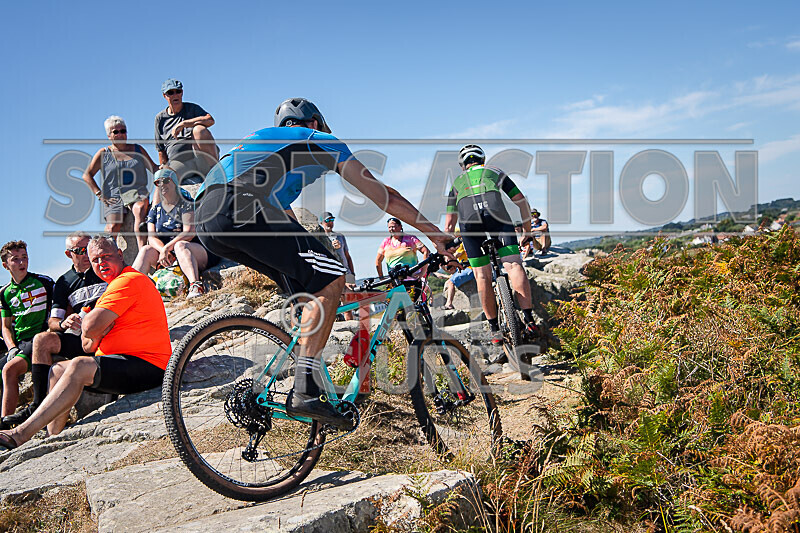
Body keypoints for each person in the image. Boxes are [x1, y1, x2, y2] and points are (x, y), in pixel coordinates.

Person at [194, 97, 452, 429]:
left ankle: (304, 395)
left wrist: (322, 272)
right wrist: (434, 234)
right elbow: (384, 196)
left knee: (313, 290)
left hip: (207, 218)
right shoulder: (318, 140)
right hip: (238, 203)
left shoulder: (266, 149)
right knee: (331, 278)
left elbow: (288, 224)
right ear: (314, 123)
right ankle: (305, 390)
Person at [0, 237, 172, 451]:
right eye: (96, 260)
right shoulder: (109, 289)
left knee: (79, 365)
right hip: (119, 361)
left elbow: (89, 328)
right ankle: (53, 437)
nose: (101, 264)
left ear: (120, 254)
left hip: (149, 365)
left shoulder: (127, 280)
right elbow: (88, 343)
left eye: (106, 257)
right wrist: (96, 329)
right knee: (59, 369)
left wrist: (96, 329)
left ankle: (21, 433)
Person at [2, 232, 108, 428]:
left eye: (89, 248)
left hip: (110, 333)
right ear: (69, 254)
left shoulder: (104, 268)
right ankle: (36, 406)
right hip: (81, 338)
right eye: (80, 251)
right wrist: (64, 323)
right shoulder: (64, 282)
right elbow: (53, 321)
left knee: (11, 367)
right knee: (42, 340)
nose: (87, 254)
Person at [444, 144, 538, 346]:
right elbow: (520, 200)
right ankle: (529, 319)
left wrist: (451, 247)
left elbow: (449, 225)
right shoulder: (495, 171)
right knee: (513, 264)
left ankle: (494, 329)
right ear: (482, 160)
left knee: (481, 275)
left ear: (463, 165)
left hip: (470, 225)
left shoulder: (457, 183)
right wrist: (527, 233)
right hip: (497, 216)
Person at [132, 168, 220, 298]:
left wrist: (168, 248)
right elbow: (152, 237)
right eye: (157, 183)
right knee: (146, 250)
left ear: (174, 182)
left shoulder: (186, 203)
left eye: (165, 180)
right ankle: (130, 289)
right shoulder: (155, 210)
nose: (162, 185)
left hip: (195, 252)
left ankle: (195, 286)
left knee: (180, 245)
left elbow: (189, 232)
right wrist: (164, 251)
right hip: (170, 255)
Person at [82, 115, 158, 249]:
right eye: (115, 132)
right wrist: (99, 194)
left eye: (123, 131)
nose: (120, 134)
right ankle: (106, 252)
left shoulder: (138, 149)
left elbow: (153, 168)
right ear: (109, 136)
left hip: (136, 191)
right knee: (113, 226)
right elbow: (87, 175)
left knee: (140, 209)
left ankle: (142, 250)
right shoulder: (104, 153)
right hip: (113, 195)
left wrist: (165, 169)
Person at [0, 241, 54, 428]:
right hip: (20, 343)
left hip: (40, 338)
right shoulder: (5, 293)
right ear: (5, 265)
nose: (22, 262)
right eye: (15, 259)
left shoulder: (44, 282)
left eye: (24, 257)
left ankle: (4, 427)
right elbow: (5, 326)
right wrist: (12, 348)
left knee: (9, 370)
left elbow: (58, 309)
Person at [154, 78, 218, 186]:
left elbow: (210, 120)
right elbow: (161, 150)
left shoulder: (192, 108)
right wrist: (164, 166)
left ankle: (217, 172)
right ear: (165, 96)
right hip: (179, 163)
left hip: (200, 157)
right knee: (163, 178)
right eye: (170, 92)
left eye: (178, 91)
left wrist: (185, 124)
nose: (175, 95)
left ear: (182, 93)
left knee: (199, 130)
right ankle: (158, 203)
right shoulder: (160, 119)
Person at [320, 212, 356, 320]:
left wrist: (352, 276)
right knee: (333, 306)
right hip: (331, 276)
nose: (330, 223)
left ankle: (351, 330)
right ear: (321, 223)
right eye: (327, 220)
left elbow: (347, 257)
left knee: (348, 305)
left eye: (332, 220)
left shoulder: (340, 236)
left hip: (345, 274)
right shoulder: (320, 239)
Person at [442, 234, 473, 310]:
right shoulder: (465, 241)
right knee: (451, 277)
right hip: (466, 268)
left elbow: (457, 255)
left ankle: (449, 304)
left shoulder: (461, 243)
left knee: (450, 282)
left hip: (469, 268)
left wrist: (447, 255)